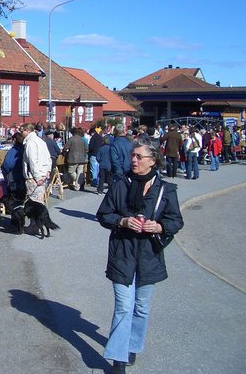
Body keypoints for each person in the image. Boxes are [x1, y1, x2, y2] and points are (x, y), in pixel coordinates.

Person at [96, 138, 184, 374]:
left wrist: (160, 227)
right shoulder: (120, 184)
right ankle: (119, 358)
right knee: (124, 306)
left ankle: (132, 345)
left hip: (149, 255)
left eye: (138, 157)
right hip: (122, 252)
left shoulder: (165, 190)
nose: (133, 160)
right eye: (132, 156)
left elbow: (176, 220)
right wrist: (123, 220)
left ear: (152, 161)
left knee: (141, 307)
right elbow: (104, 214)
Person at [21, 123, 52, 203]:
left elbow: (32, 161)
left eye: (22, 131)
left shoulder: (30, 143)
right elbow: (49, 158)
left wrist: (37, 177)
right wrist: (48, 171)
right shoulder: (41, 141)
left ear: (27, 131)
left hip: (34, 177)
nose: (21, 134)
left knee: (32, 204)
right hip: (43, 174)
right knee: (39, 202)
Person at [0, 132, 26, 197]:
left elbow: (8, 164)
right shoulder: (25, 149)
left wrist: (3, 170)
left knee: (13, 201)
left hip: (13, 179)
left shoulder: (14, 150)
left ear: (14, 140)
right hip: (23, 179)